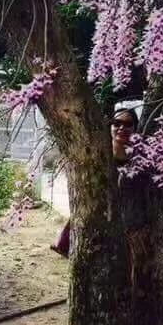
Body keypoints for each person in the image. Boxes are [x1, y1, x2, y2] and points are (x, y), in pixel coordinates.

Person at [50, 107, 140, 257]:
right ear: (110, 126)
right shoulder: (98, 153)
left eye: (128, 124)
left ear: (135, 128)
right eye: (117, 123)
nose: (121, 128)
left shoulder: (139, 159)